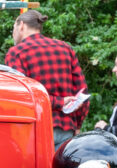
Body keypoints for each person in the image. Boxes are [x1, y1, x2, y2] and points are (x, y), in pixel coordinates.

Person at [5, 11, 88, 147]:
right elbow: (82, 93)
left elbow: (22, 96)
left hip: (35, 127)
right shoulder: (65, 48)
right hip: (66, 128)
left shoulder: (16, 53)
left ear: (21, 25)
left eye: (13, 28)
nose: (13, 33)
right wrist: (78, 124)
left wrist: (58, 102)